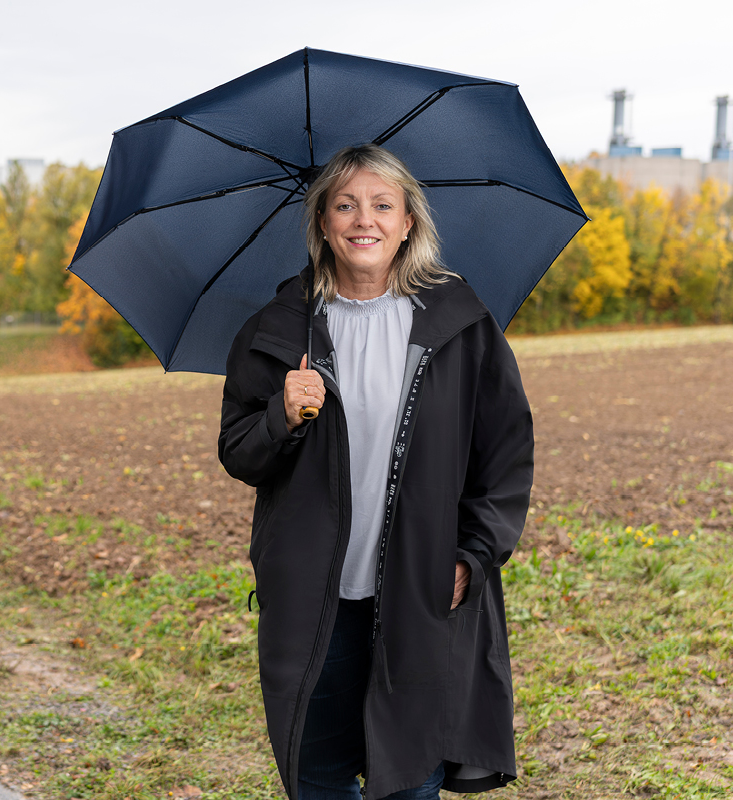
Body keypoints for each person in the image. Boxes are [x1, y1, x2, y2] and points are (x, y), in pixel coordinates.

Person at [218, 144, 533, 800]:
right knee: (318, 776)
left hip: (420, 590)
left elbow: (504, 456)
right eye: (345, 205)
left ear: (408, 221)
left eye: (383, 205)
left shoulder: (460, 323)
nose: (365, 220)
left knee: (410, 781)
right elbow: (239, 453)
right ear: (322, 222)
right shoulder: (278, 330)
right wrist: (281, 414)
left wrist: (473, 556)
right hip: (314, 598)